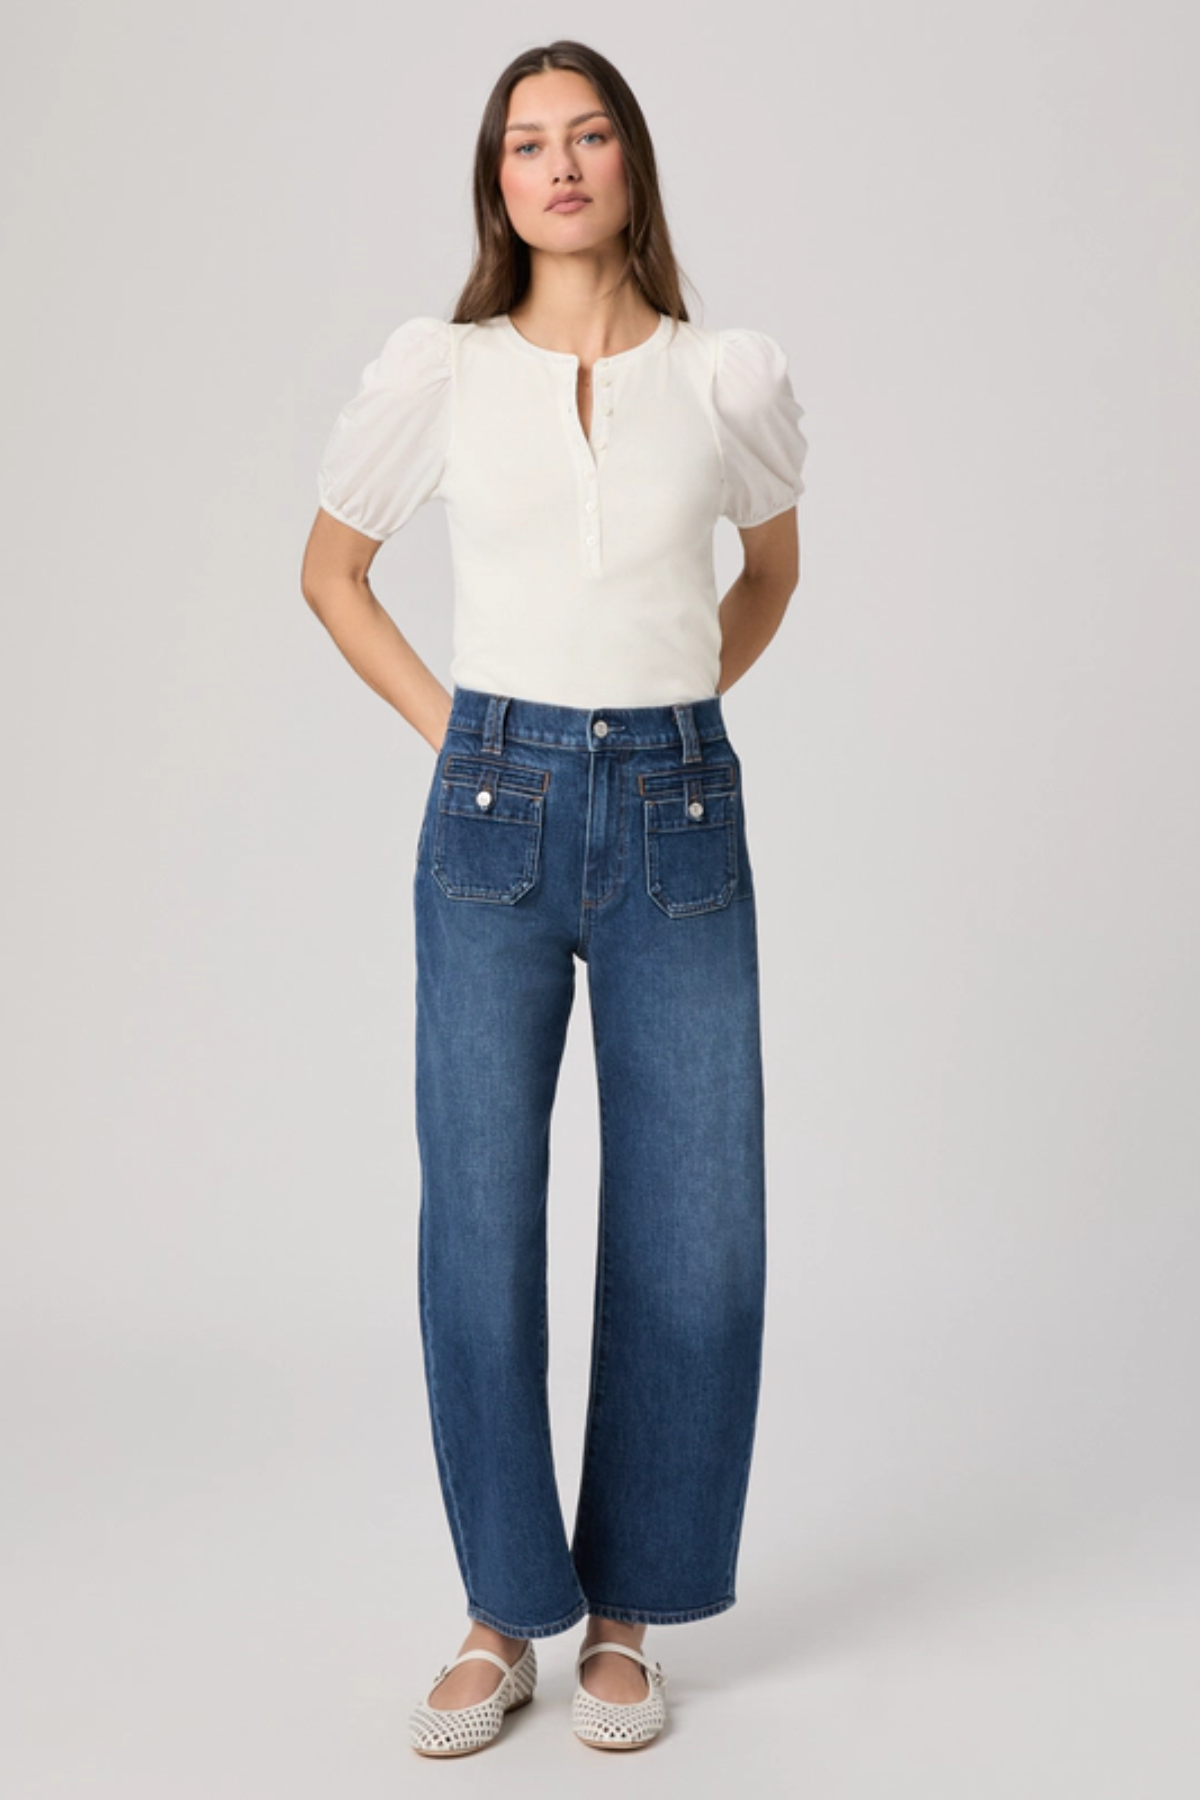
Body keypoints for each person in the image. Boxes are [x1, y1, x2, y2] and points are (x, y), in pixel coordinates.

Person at [300, 38, 807, 1757]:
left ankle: (627, 1614)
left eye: (589, 134)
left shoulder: (722, 375)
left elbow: (773, 572)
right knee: (480, 1219)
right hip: (495, 806)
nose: (562, 164)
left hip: (676, 802)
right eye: (529, 142)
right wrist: (467, 736)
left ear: (634, 165)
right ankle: (499, 1609)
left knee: (699, 1224)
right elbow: (332, 572)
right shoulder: (439, 371)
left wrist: (673, 708)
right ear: (497, 181)